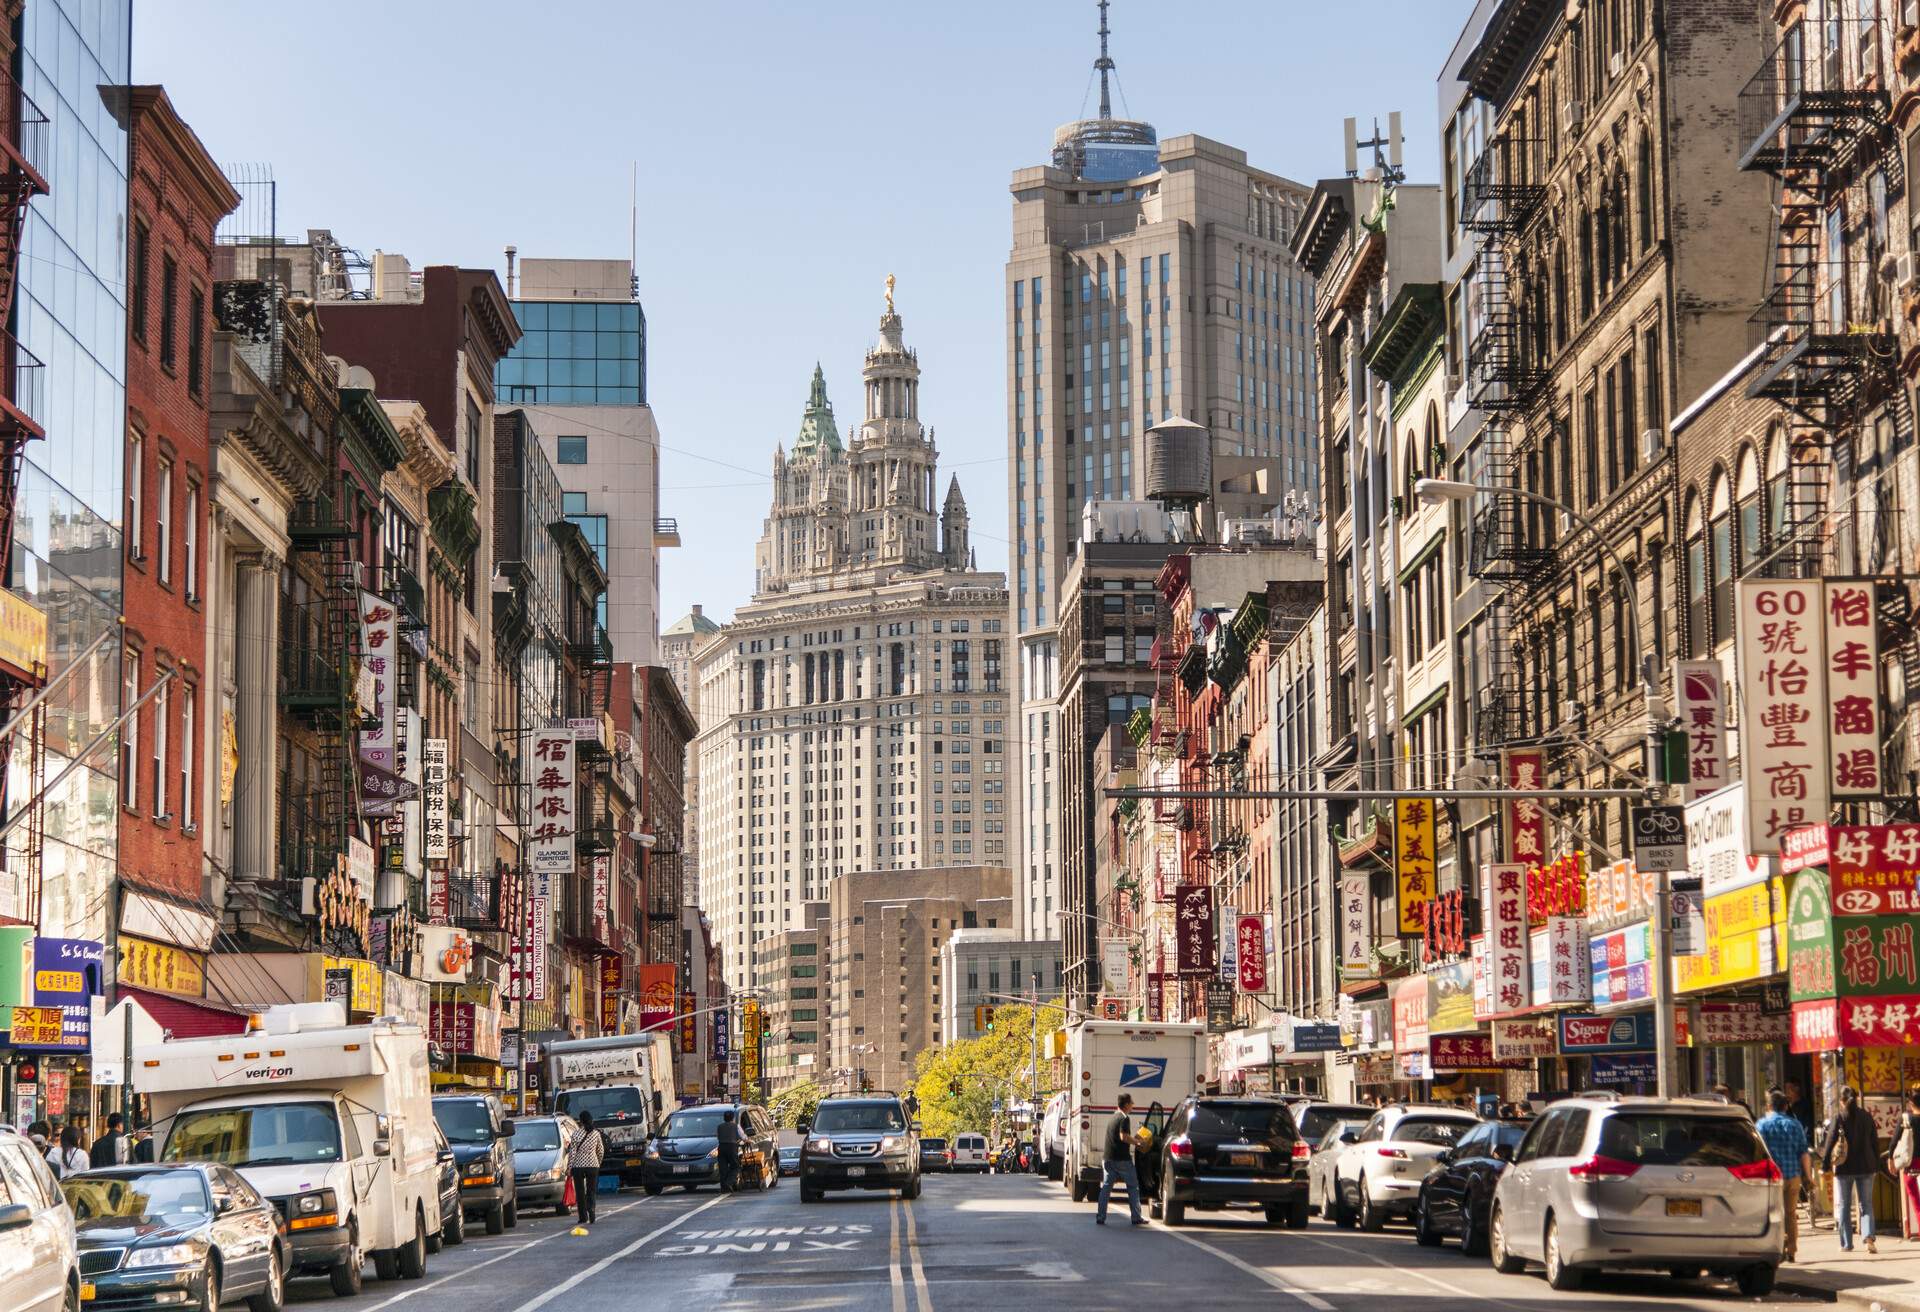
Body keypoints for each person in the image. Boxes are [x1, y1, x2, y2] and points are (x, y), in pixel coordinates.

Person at [1822, 1085, 1881, 1253]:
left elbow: (1830, 1142)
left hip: (1844, 1167)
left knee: (1844, 1206)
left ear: (1841, 1101)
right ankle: (1869, 1238)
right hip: (1866, 1166)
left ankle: (1847, 1244)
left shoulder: (1839, 1117)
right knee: (1866, 1204)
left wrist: (1825, 1164)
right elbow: (1874, 1142)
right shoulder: (1866, 1116)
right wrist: (1877, 1164)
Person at [1758, 1089, 1814, 1262]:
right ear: (1785, 1107)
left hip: (1771, 1177)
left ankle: (1778, 1246)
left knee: (1774, 1213)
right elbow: (1804, 1154)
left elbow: (1758, 1152)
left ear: (1769, 1106)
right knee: (1790, 1213)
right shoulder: (1795, 1124)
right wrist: (1809, 1177)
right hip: (1793, 1176)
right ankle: (1792, 1250)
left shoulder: (1762, 1125)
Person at [1096, 1093, 1146, 1227]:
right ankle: (1136, 1217)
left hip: (1107, 1158)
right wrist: (1137, 1142)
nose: (1133, 1105)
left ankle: (1100, 1217)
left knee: (1106, 1189)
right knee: (1133, 1186)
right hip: (1122, 1159)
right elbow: (1123, 1136)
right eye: (1131, 1103)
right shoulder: (1124, 1118)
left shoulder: (1113, 1117)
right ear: (1126, 1105)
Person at [566, 1110, 607, 1226]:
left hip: (578, 1166)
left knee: (580, 1192)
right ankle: (592, 1209)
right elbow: (601, 1150)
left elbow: (572, 1153)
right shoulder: (596, 1134)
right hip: (592, 1166)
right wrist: (597, 1163)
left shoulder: (576, 1134)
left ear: (581, 1121)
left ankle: (583, 1216)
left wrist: (569, 1168)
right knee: (591, 1190)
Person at [1891, 1087, 1920, 1241]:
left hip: (1912, 1163)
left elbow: (1895, 1140)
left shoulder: (1906, 1118)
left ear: (1910, 1103)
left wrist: (1890, 1157)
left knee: (1915, 1197)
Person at [716, 1109, 741, 1191]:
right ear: (733, 1118)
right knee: (736, 1166)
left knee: (723, 1168)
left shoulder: (719, 1127)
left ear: (724, 1118)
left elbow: (718, 1137)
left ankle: (723, 1187)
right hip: (732, 1147)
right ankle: (729, 1182)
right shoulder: (735, 1126)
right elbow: (743, 1136)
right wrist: (747, 1140)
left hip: (721, 1147)